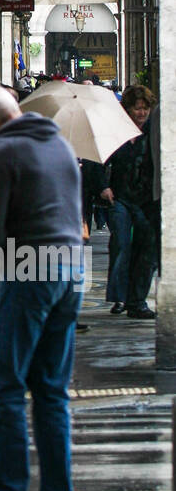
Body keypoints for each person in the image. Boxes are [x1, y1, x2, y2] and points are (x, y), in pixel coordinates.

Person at [0, 83, 85, 491]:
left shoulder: (1, 153)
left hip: (29, 270)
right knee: (51, 389)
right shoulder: (59, 146)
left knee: (4, 385)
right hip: (71, 271)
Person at [101, 84, 157, 319]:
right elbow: (99, 159)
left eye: (145, 109)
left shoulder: (154, 133)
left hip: (146, 200)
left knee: (147, 249)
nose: (142, 113)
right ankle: (120, 298)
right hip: (120, 197)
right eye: (137, 109)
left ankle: (138, 301)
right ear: (128, 110)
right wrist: (103, 187)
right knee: (121, 244)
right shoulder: (116, 132)